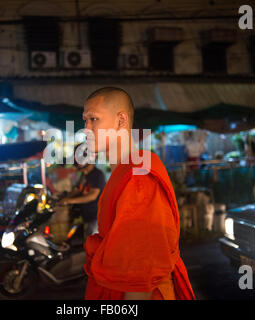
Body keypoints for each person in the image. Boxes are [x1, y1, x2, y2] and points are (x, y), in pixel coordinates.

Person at [82, 87, 195, 300]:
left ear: (121, 121)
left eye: (93, 119)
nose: (86, 129)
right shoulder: (124, 170)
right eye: (84, 121)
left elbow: (140, 272)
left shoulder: (138, 175)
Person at [58, 145, 106, 237]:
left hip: (95, 218)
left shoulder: (97, 175)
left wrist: (69, 200)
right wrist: (63, 197)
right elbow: (78, 190)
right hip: (85, 216)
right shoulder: (84, 175)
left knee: (92, 245)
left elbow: (92, 196)